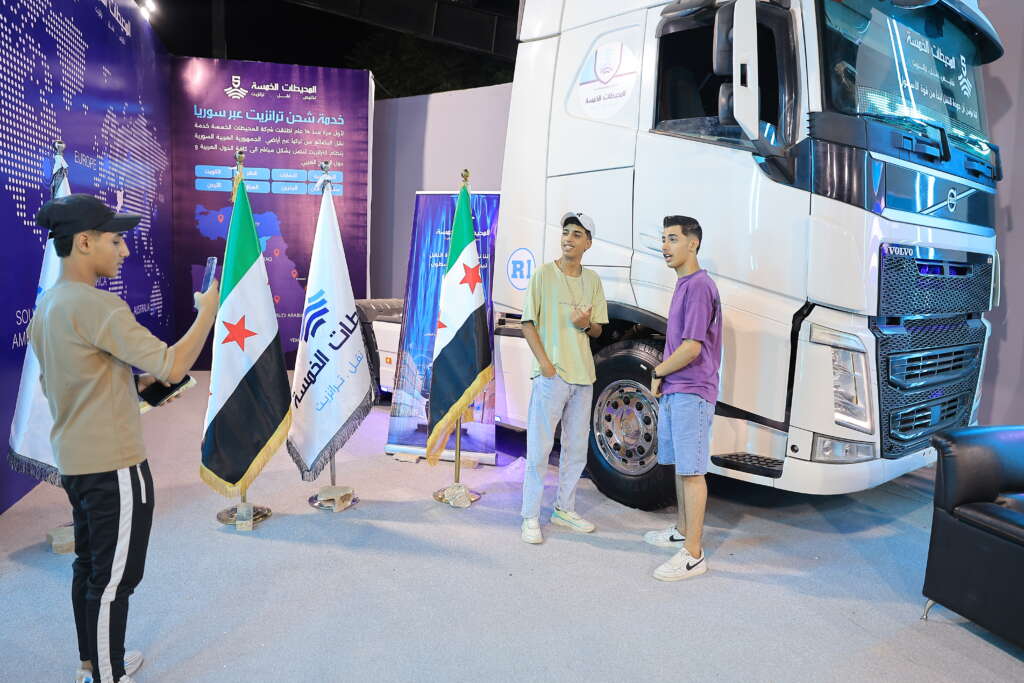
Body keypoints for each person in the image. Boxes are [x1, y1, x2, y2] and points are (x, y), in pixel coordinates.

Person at [28, 194, 220, 683]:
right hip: (114, 465)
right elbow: (174, 365)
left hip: (76, 461)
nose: (125, 251)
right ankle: (107, 674)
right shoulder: (98, 305)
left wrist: (132, 387)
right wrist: (208, 312)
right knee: (116, 578)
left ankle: (92, 663)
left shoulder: (48, 305)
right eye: (115, 241)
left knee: (91, 565)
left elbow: (68, 382)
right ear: (84, 242)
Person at [519, 211, 609, 544]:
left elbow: (598, 329)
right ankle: (530, 515)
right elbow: (528, 323)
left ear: (588, 243)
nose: (568, 239)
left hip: (583, 376)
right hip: (552, 375)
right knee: (539, 448)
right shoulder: (543, 274)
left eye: (576, 234)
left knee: (576, 448)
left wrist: (586, 324)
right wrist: (545, 365)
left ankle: (564, 509)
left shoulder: (593, 280)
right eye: (566, 232)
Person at [644, 215, 722, 581]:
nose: (665, 246)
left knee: (692, 471)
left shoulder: (700, 286)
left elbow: (692, 347)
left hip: (693, 389)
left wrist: (658, 371)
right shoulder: (684, 284)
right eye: (663, 239)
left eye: (673, 239)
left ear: (693, 243)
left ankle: (693, 554)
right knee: (681, 465)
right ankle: (681, 530)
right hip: (679, 388)